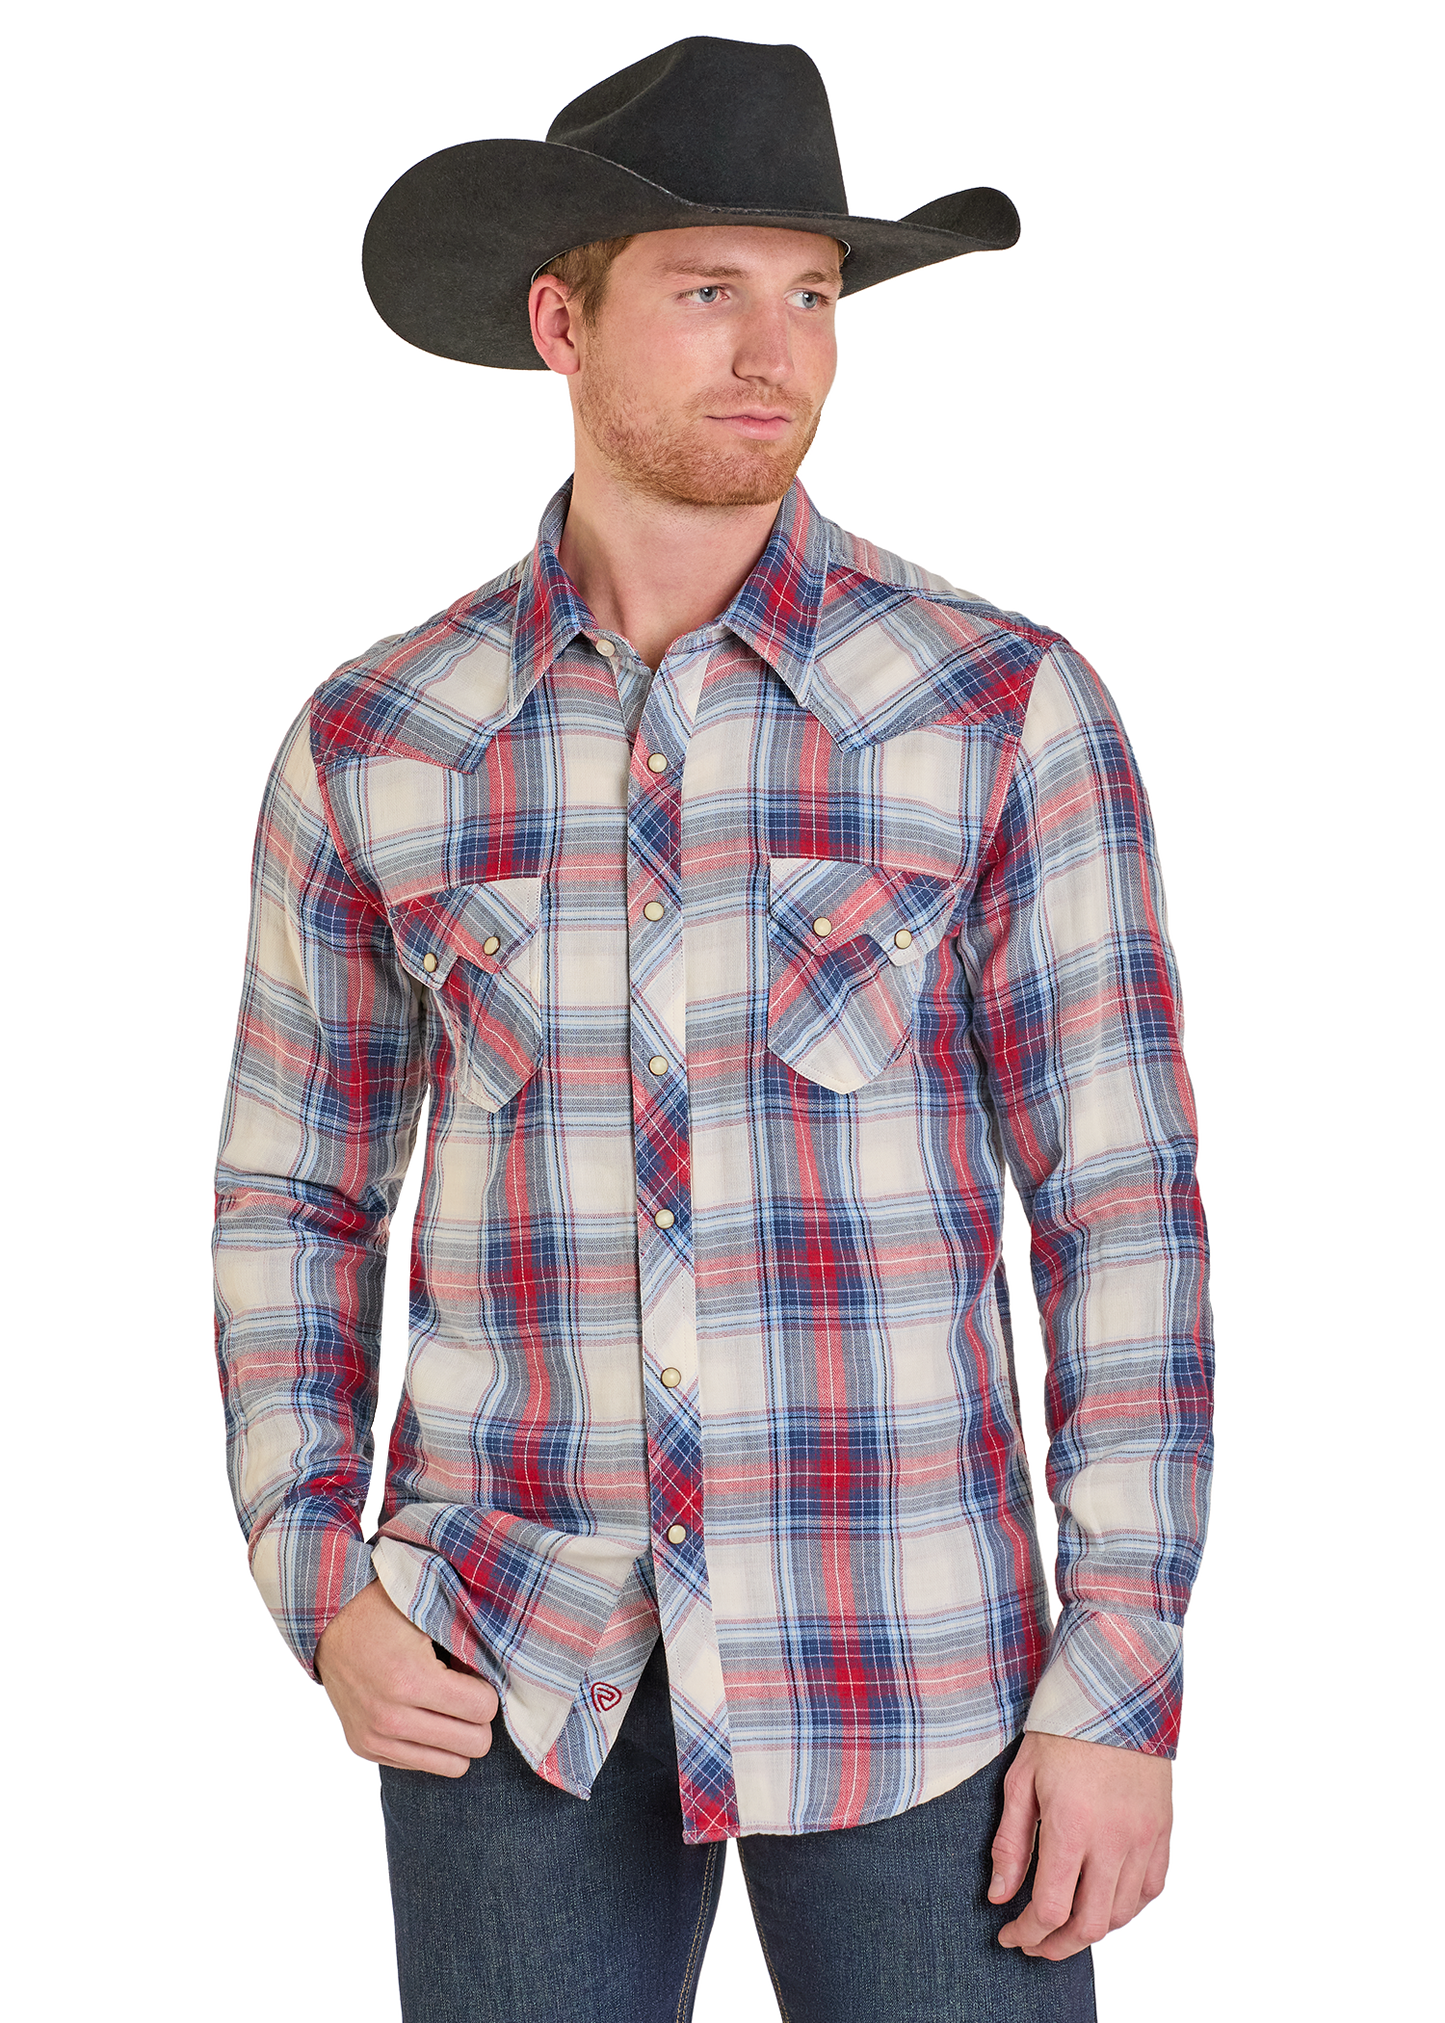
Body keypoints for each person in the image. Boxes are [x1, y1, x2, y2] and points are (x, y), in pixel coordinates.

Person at [210, 32, 1216, 2023]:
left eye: (811, 294)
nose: (775, 349)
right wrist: (313, 1574)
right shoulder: (373, 738)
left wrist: (1120, 1683)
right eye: (704, 290)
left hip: (921, 1660)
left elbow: (1121, 1211)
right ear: (556, 318)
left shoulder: (998, 706)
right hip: (504, 1658)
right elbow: (292, 1195)